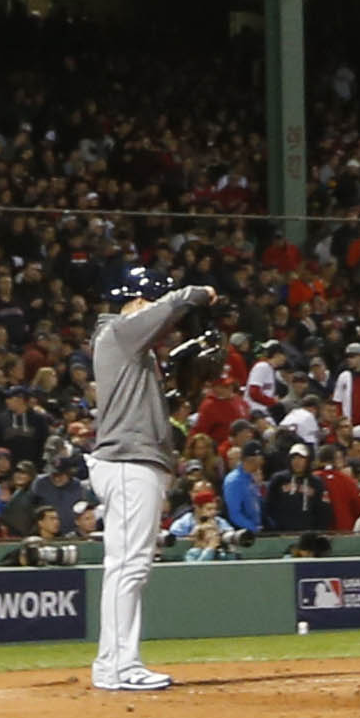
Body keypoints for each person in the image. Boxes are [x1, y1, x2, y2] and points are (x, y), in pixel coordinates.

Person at [84, 265, 212, 694]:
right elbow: (172, 305)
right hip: (127, 462)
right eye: (153, 300)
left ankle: (113, 664)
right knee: (129, 567)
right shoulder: (121, 330)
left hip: (133, 462)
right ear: (139, 301)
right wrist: (199, 292)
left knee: (126, 566)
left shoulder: (132, 349)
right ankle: (120, 667)